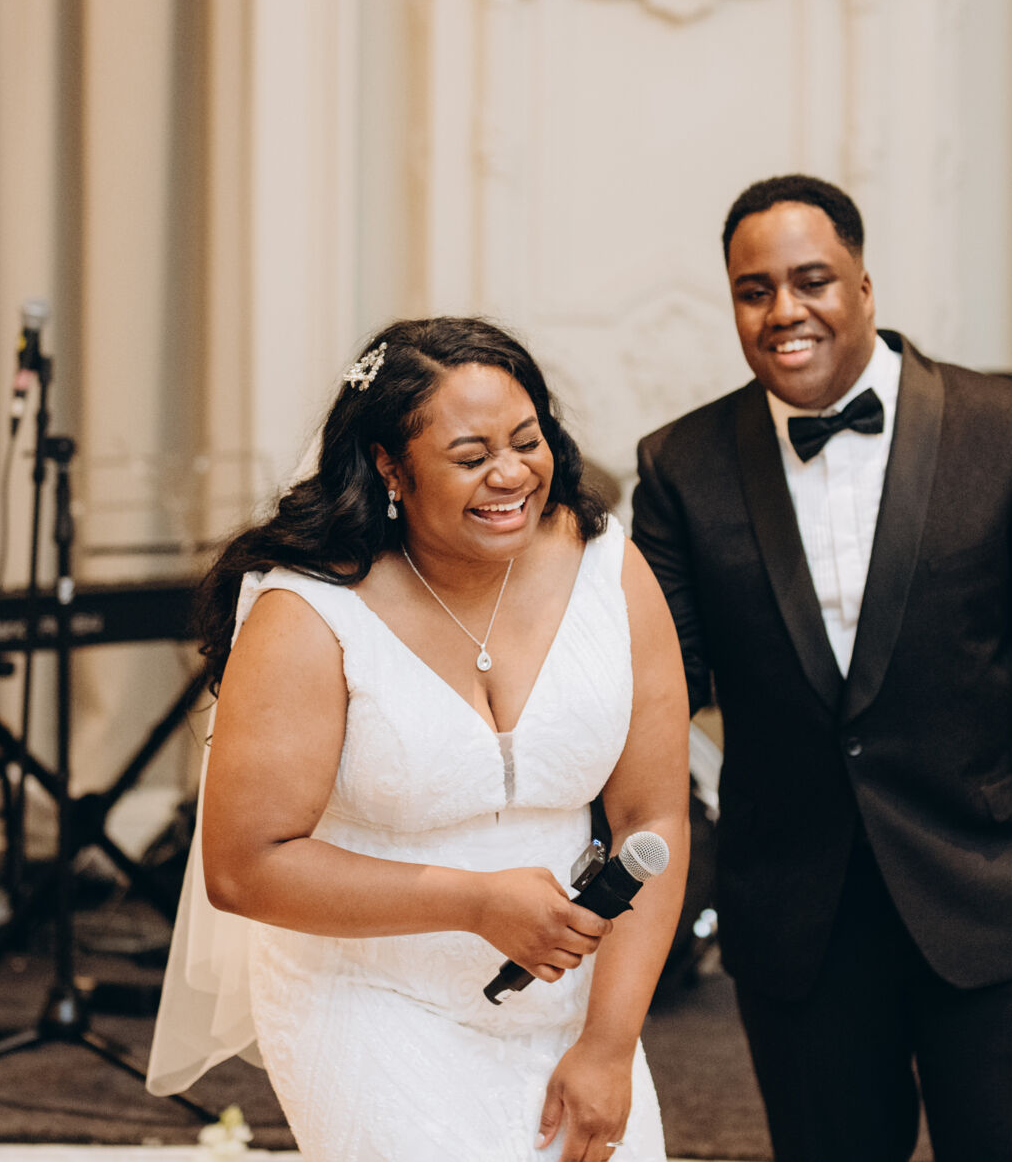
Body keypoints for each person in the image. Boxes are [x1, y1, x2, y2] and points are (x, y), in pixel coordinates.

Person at [629, 174, 1012, 1161]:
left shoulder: (1008, 429)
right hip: (798, 911)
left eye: (812, 280)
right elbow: (658, 682)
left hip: (994, 885)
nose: (783, 310)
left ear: (863, 285)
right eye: (754, 291)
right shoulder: (680, 464)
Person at [149, 317, 690, 1162]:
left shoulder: (606, 565)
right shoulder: (310, 609)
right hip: (367, 998)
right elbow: (243, 865)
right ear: (390, 467)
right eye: (471, 456)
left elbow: (654, 819)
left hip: (572, 1008)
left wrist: (609, 1045)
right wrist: (474, 902)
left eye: (527, 441)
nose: (511, 474)